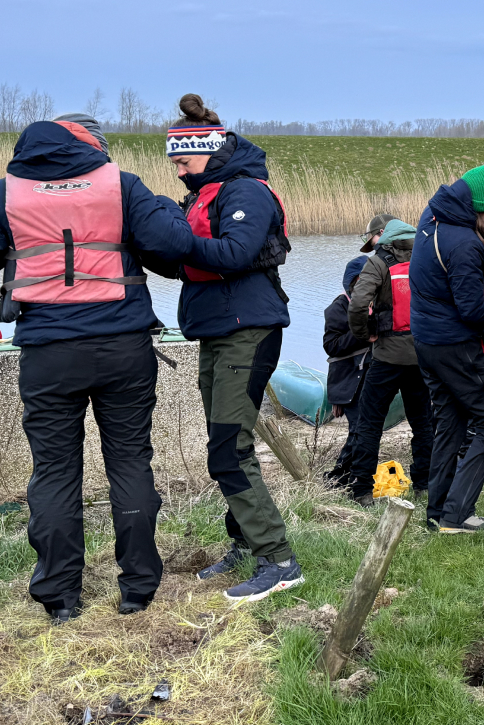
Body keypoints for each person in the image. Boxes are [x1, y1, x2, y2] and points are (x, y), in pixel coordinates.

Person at [0, 118, 196, 623]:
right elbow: (174, 246)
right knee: (129, 463)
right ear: (91, 147)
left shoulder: (7, 194)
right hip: (123, 347)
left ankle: (60, 598)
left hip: (49, 355)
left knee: (56, 472)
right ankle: (138, 591)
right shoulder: (119, 185)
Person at [164, 95, 304, 605]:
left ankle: (280, 561)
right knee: (226, 447)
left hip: (249, 329)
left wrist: (174, 240)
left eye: (183, 160)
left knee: (229, 448)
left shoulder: (246, 191)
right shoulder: (206, 193)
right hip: (219, 330)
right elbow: (188, 262)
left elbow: (236, 253)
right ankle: (246, 545)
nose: (177, 171)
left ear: (208, 149)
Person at [410, 164, 484, 533]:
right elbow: (471, 308)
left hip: (423, 341)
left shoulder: (432, 215)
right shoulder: (465, 244)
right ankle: (458, 514)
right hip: (454, 345)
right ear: (480, 206)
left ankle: (437, 512)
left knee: (450, 424)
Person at [342, 218, 434, 505]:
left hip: (386, 357)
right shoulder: (428, 254)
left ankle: (362, 492)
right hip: (421, 355)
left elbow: (358, 304)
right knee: (423, 423)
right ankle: (425, 485)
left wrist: (364, 334)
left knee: (369, 423)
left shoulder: (378, 262)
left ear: (383, 239)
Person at [322, 255, 373, 489]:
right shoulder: (338, 307)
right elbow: (331, 346)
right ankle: (341, 476)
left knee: (363, 428)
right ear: (353, 283)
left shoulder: (380, 305)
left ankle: (344, 476)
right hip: (347, 380)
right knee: (360, 429)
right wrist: (363, 332)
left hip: (369, 377)